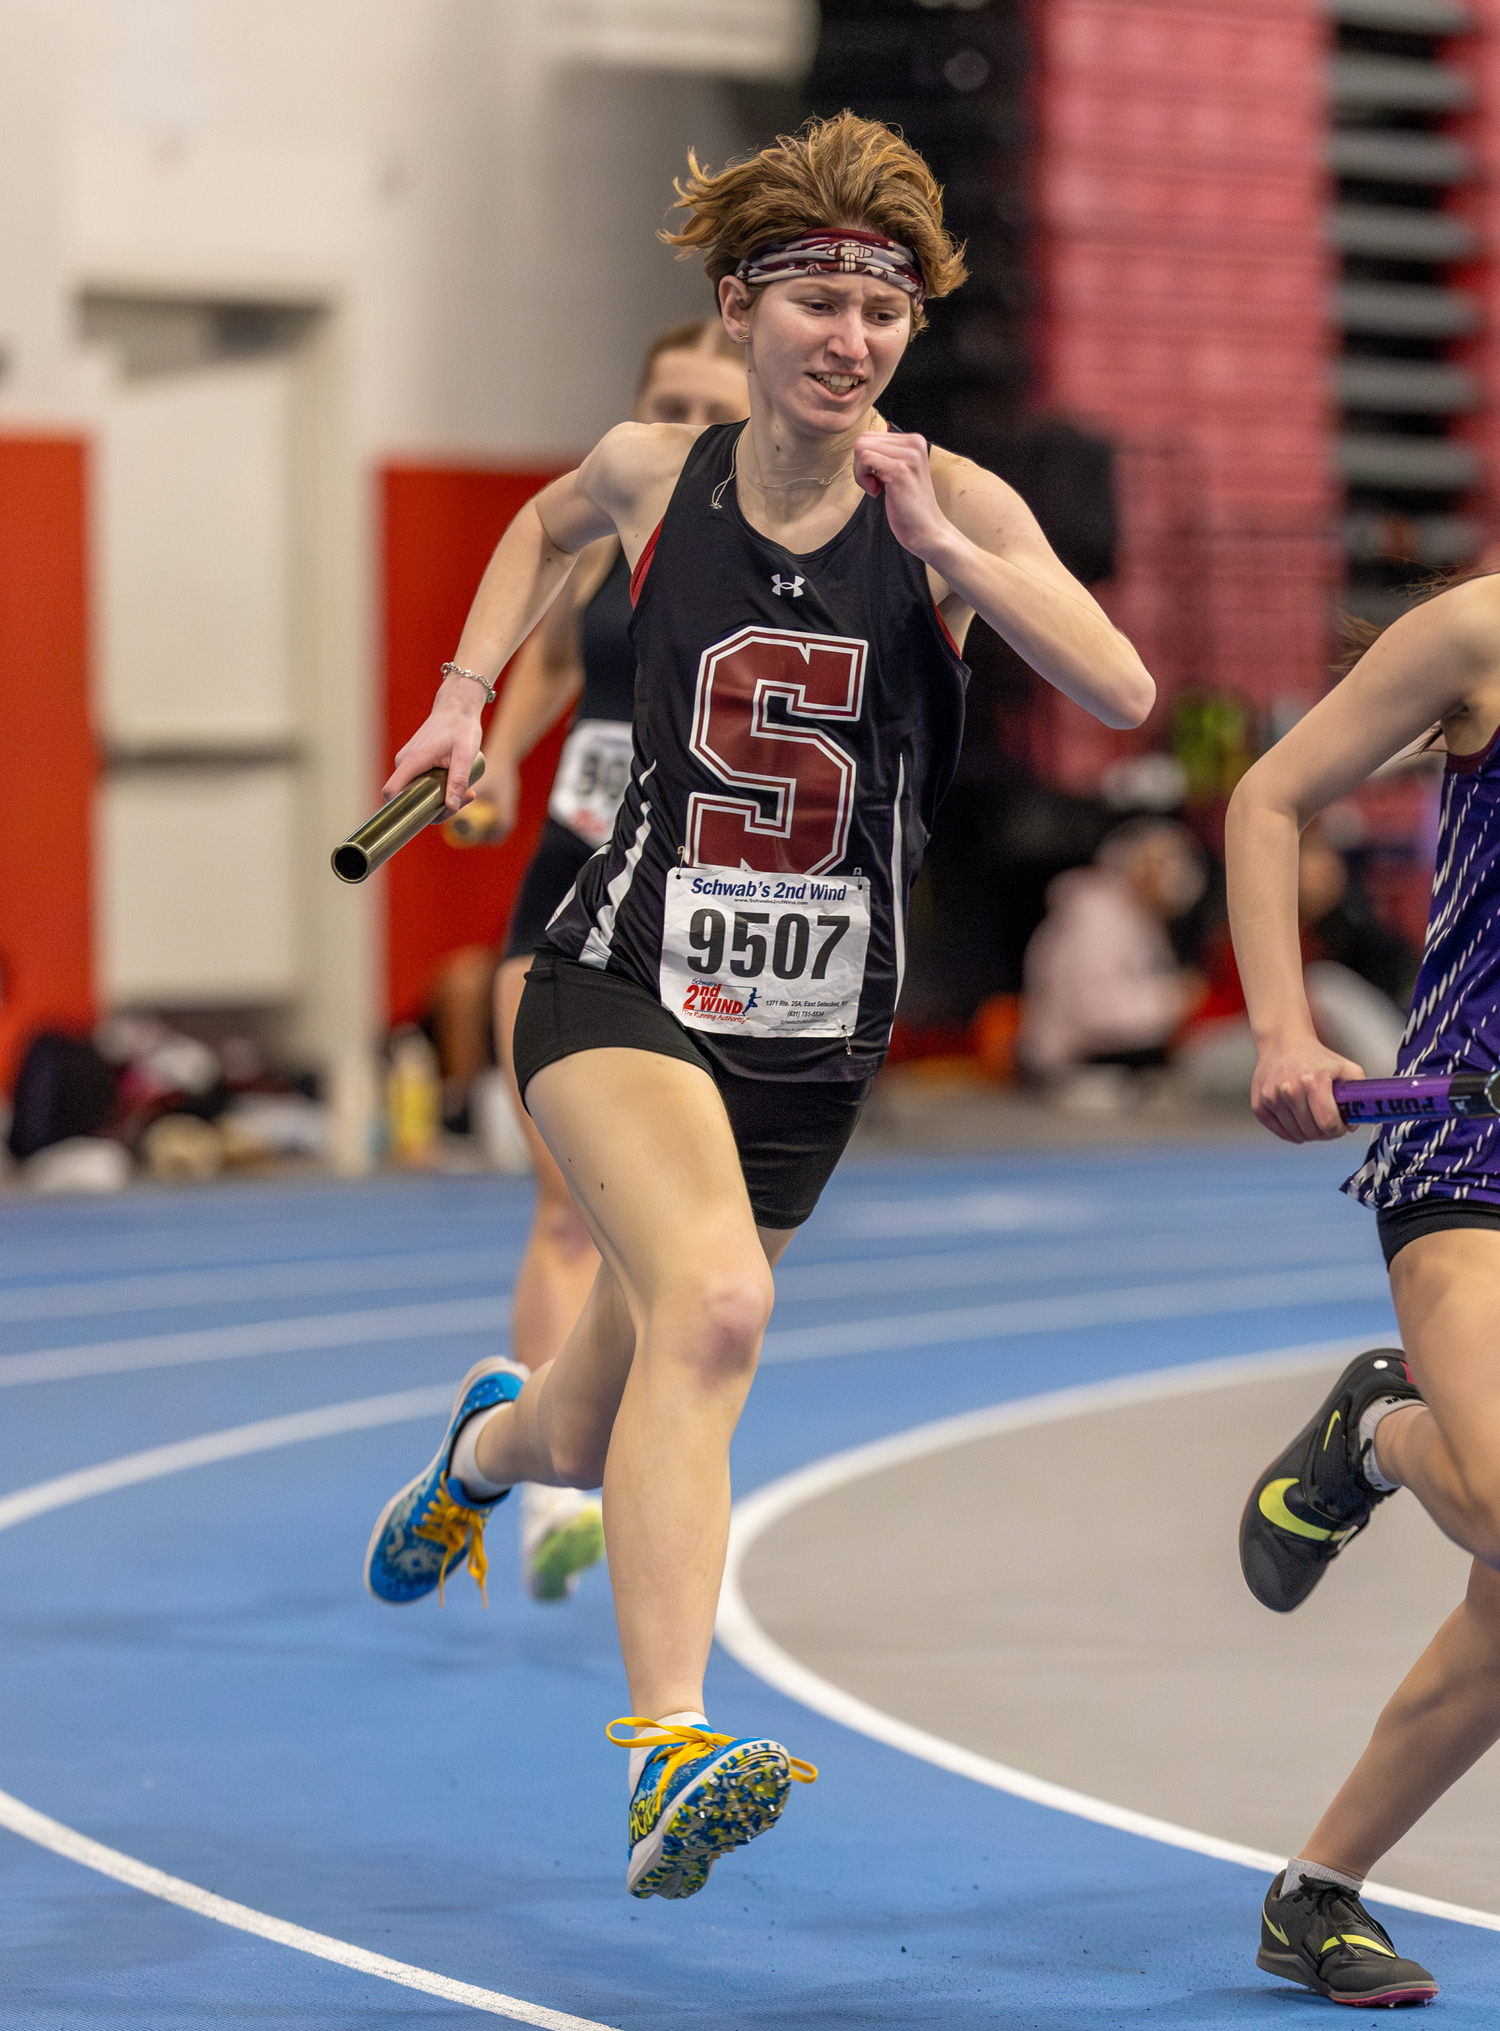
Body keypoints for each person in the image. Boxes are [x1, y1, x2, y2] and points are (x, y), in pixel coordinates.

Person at [364, 110, 1154, 1902]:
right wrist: (463, 698)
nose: (853, 338)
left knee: (593, 1417)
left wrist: (954, 548)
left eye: (884, 309)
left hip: (812, 1035)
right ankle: (669, 1748)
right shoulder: (664, 469)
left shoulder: (954, 498)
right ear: (742, 309)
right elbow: (537, 527)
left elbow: (1119, 686)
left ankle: (480, 1458)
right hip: (614, 972)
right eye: (817, 300)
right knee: (717, 1308)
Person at [433, 321, 749, 1602]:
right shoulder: (618, 523)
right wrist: (500, 754)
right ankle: (556, 1503)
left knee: (693, 1251)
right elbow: (551, 657)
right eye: (661, 398)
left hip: (704, 908)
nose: (678, 418)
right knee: (569, 1203)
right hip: (573, 883)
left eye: (703, 404)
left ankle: (642, 1473)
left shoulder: (774, 552)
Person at [1225, 570, 1500, 2007]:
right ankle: (1377, 1429)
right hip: (1473, 1134)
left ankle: (1315, 1890)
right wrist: (1283, 1025)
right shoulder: (1479, 634)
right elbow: (1267, 799)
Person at [1019, 815, 1206, 1102]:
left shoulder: (1140, 916)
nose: (1176, 873)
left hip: (1121, 1065)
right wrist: (1176, 998)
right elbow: (1097, 1012)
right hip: (1077, 1070)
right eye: (1161, 862)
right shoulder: (1097, 917)